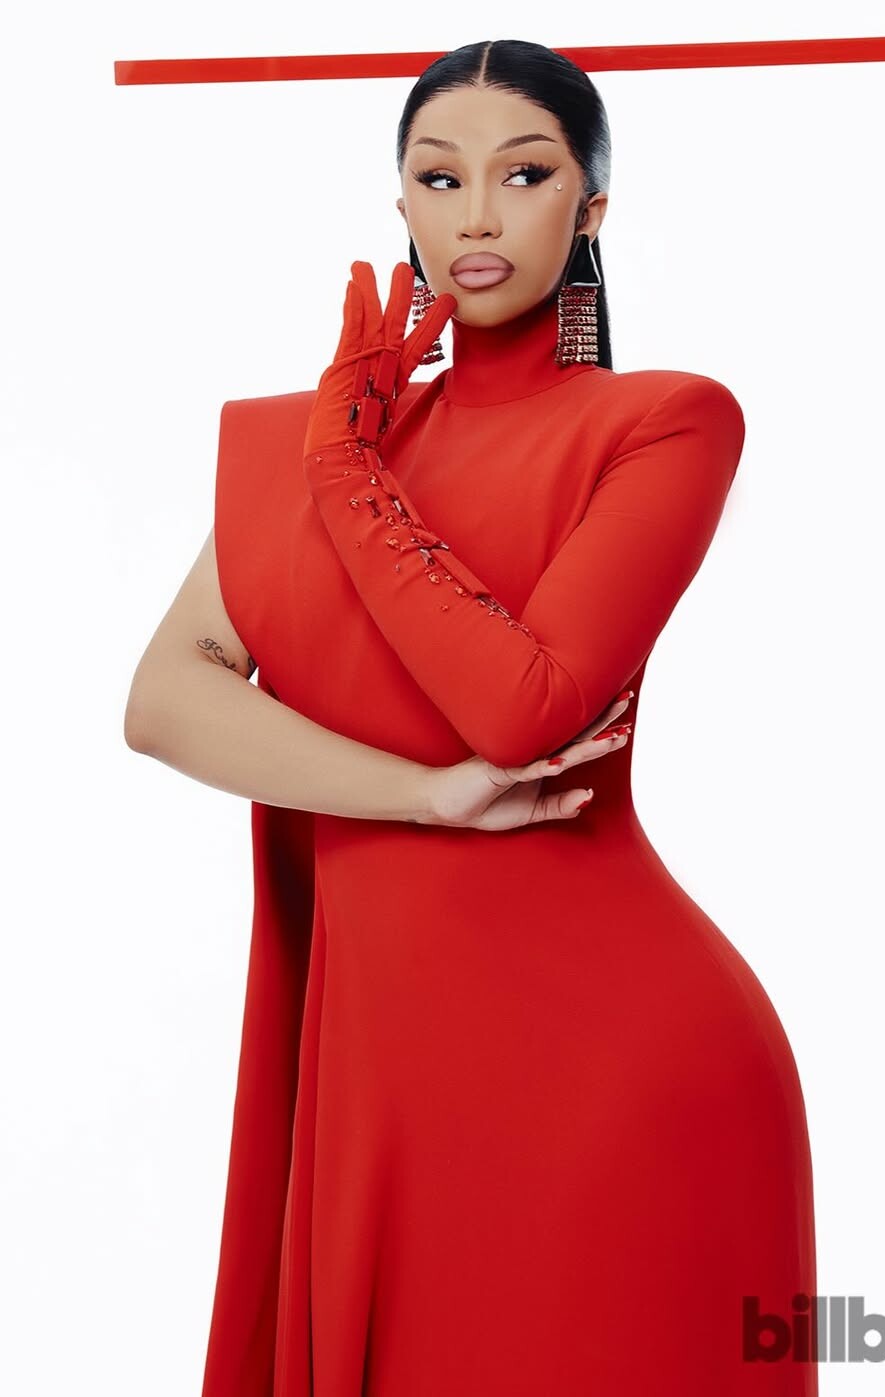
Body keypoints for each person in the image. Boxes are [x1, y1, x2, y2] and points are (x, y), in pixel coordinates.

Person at [125, 37, 818, 1396]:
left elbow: (523, 707)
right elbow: (164, 700)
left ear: (593, 206)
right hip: (383, 1083)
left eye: (527, 174)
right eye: (441, 178)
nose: (480, 214)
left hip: (618, 1080)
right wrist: (419, 797)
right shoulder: (308, 443)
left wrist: (348, 476)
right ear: (401, 205)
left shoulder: (664, 424)